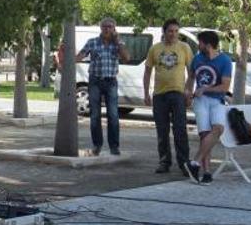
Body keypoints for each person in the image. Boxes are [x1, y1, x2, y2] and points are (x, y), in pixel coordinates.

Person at [144, 19, 194, 174]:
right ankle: (164, 161)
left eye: (176, 31)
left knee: (180, 129)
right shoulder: (155, 49)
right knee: (162, 130)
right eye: (170, 31)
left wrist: (188, 91)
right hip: (159, 95)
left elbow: (191, 73)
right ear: (164, 32)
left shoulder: (184, 48)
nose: (173, 34)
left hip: (178, 93)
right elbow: (147, 72)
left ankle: (184, 163)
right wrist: (146, 93)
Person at [75, 18, 131, 155]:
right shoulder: (92, 42)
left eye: (110, 27)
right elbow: (80, 56)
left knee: (113, 114)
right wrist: (69, 58)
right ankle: (97, 145)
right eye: (105, 26)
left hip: (111, 81)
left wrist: (118, 42)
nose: (107, 29)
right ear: (100, 28)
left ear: (114, 29)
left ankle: (114, 146)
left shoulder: (118, 44)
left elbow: (127, 58)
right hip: (95, 81)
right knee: (95, 115)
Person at [185, 30, 233, 184]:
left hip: (216, 100)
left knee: (218, 129)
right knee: (205, 136)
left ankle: (194, 162)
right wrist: (187, 91)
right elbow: (191, 77)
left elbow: (224, 87)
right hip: (200, 101)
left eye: (200, 43)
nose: (198, 45)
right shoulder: (197, 59)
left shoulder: (224, 60)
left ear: (208, 45)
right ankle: (206, 173)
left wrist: (205, 89)